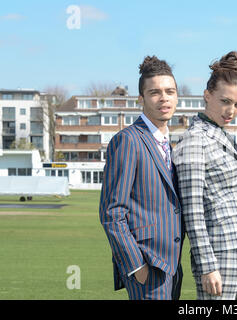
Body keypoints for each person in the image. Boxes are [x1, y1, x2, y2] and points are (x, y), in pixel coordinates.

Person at [173, 51, 237, 300]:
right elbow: (192, 210)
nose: (231, 111)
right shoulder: (194, 141)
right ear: (207, 95)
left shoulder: (225, 136)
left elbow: (234, 193)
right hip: (218, 252)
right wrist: (207, 265)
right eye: (225, 101)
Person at [99, 55, 183, 300]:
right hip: (147, 265)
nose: (164, 98)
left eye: (170, 91)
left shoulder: (171, 145)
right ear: (142, 99)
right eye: (155, 92)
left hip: (172, 265)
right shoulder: (128, 140)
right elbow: (111, 211)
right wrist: (136, 266)